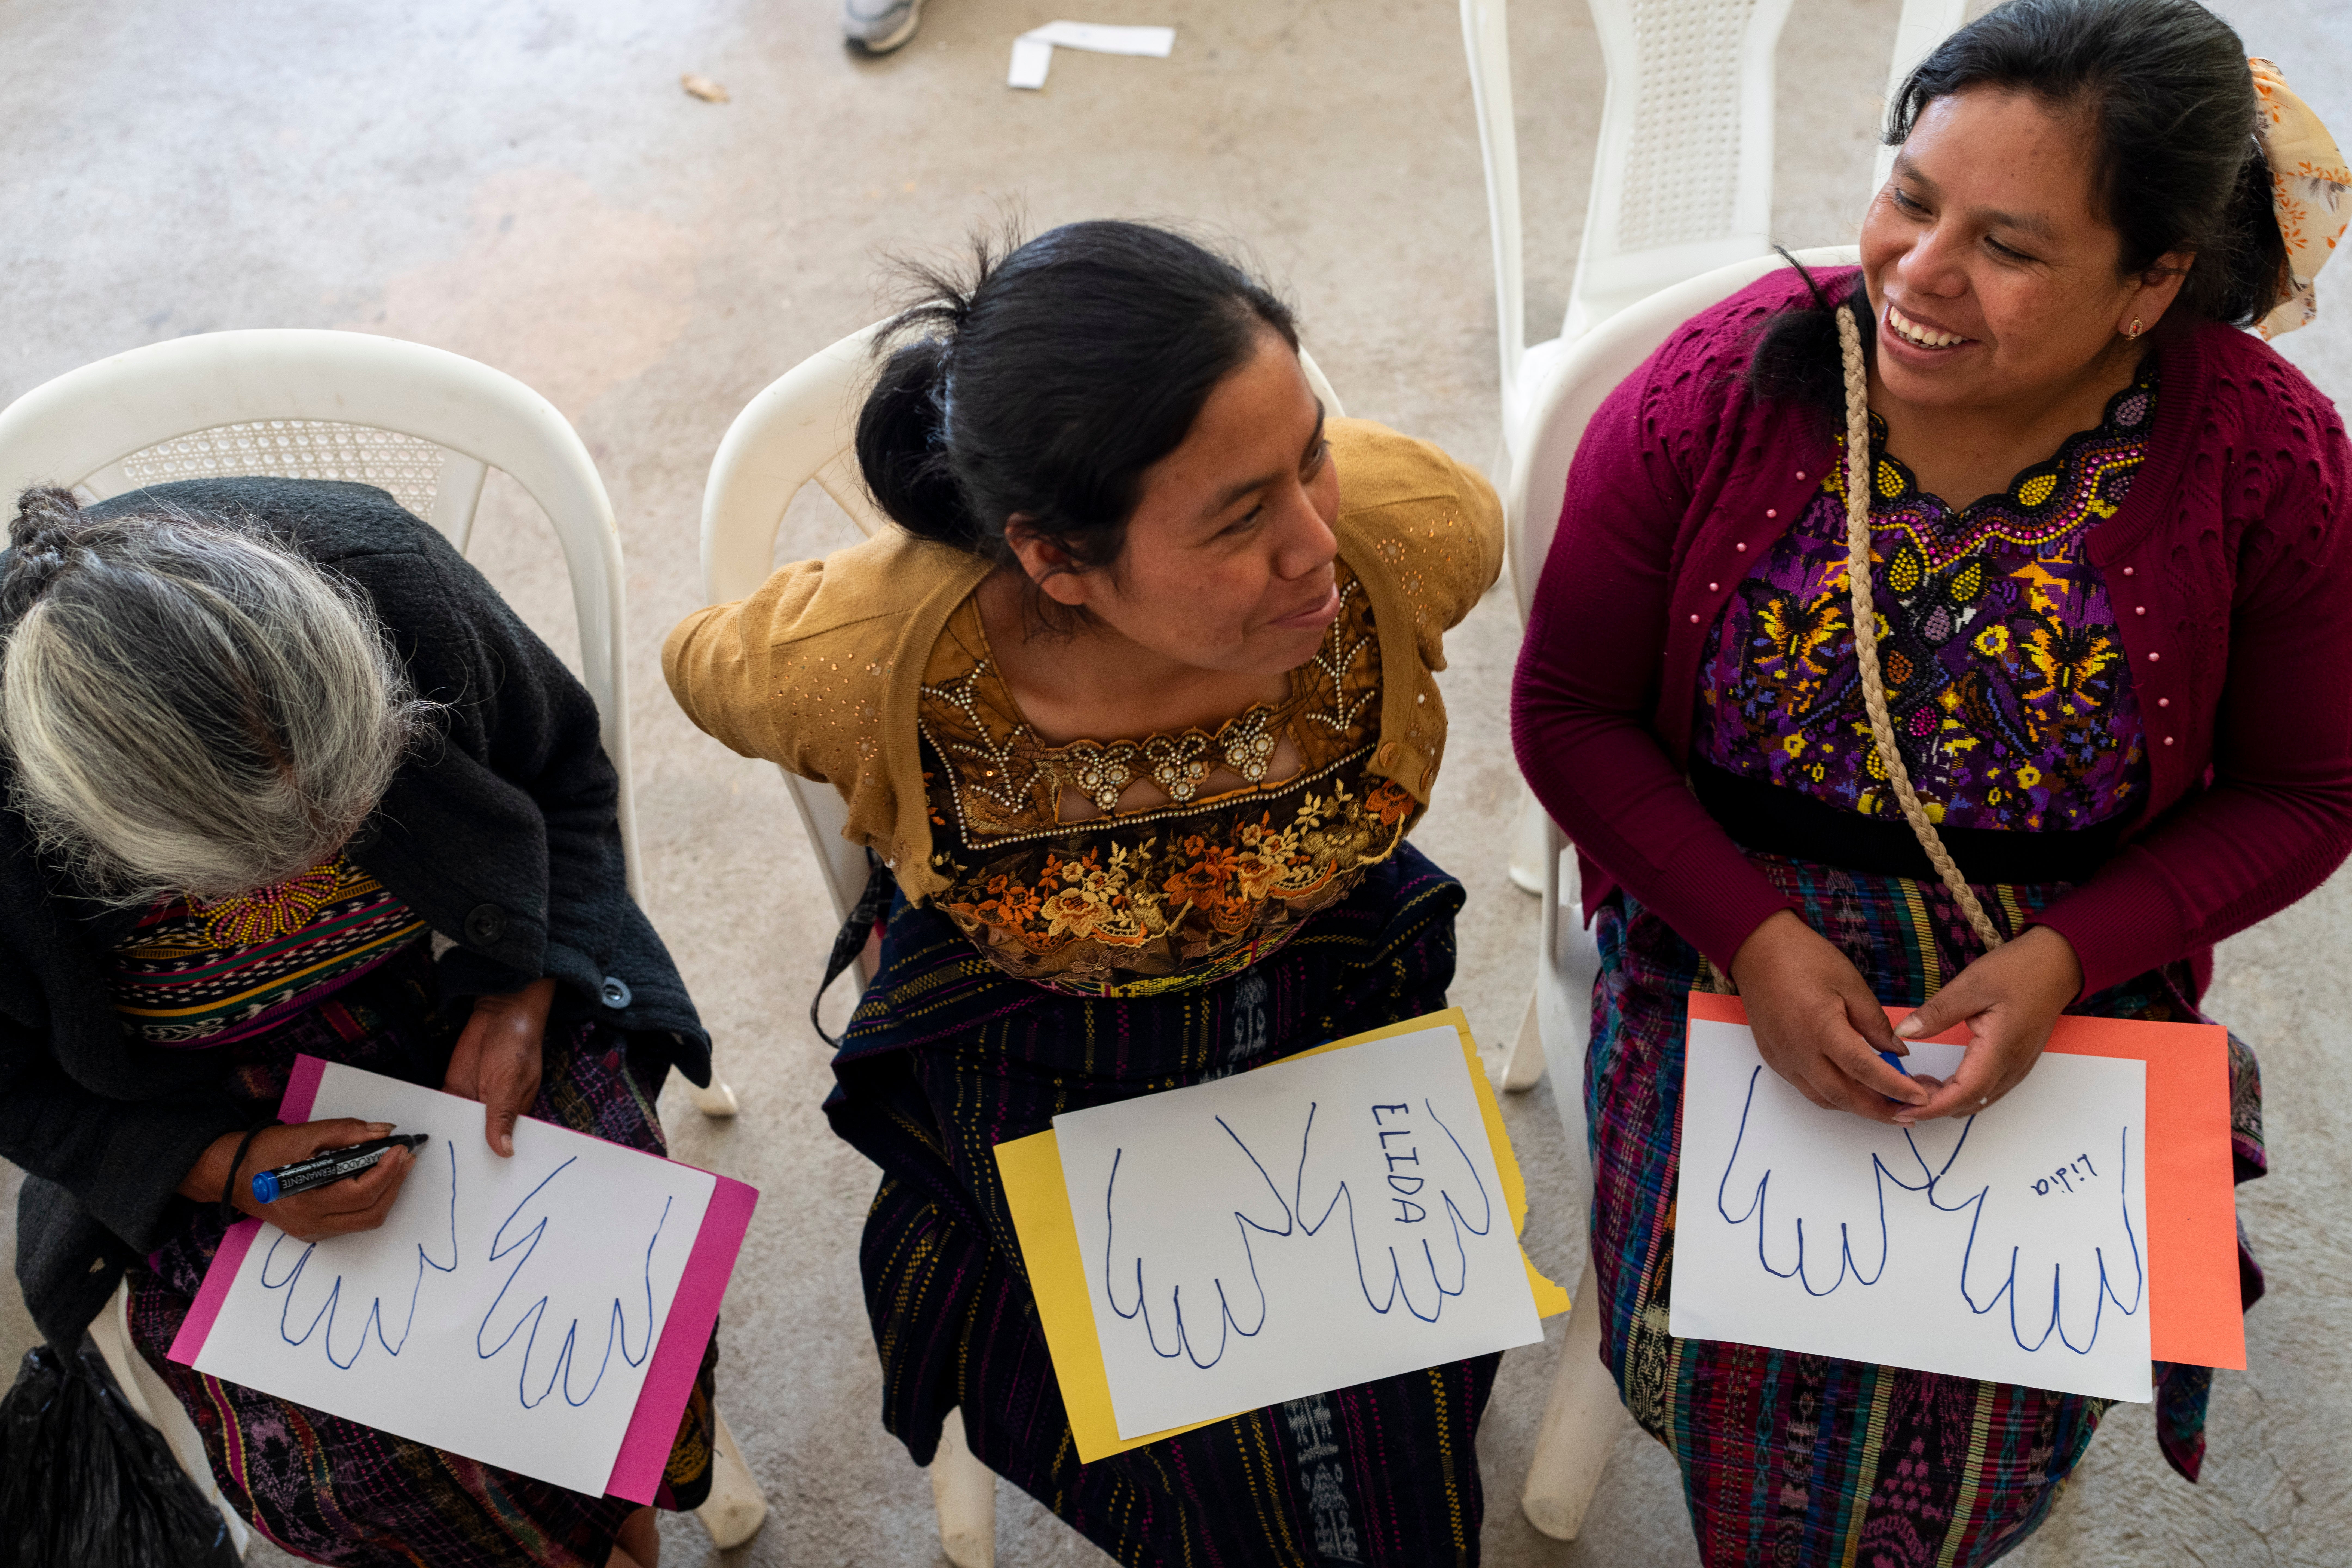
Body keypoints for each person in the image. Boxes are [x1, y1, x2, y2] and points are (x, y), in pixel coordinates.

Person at [1511, 0, 2351, 1561]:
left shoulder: (2263, 459)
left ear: (2153, 282)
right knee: (1726, 1372)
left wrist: (2066, 961)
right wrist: (1756, 941)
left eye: (2011, 247)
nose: (1919, 272)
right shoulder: (1721, 391)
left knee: (1987, 1400)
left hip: (2065, 967)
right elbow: (1570, 713)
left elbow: (2310, 792)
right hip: (1720, 933)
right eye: (1911, 197)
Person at [667, 220, 1505, 1563]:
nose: (1314, 546)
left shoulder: (1407, 541)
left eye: (1310, 457)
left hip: (1333, 988)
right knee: (1192, 1441)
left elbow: (1394, 522)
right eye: (1240, 517)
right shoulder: (860, 658)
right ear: (1054, 559)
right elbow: (700, 664)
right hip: (1033, 1041)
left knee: (1394, 1392)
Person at [0, 480, 721, 1568]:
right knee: (356, 1470)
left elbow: (567, 779)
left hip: (465, 980)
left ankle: (625, 1522)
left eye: (354, 809)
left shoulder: (391, 582)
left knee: (627, 1323)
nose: (320, 861)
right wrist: (230, 1169)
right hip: (181, 1105)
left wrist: (518, 999)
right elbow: (14, 1088)